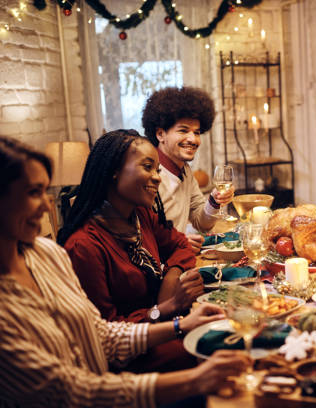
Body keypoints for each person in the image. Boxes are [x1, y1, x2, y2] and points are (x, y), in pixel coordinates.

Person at [0, 136, 250, 407]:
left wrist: (180, 322)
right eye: (34, 192)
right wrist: (192, 374)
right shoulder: (81, 246)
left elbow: (100, 333)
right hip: (112, 385)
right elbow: (71, 390)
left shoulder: (45, 255)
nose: (48, 205)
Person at [58, 130, 206, 373]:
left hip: (162, 329)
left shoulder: (140, 216)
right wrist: (167, 308)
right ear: (114, 170)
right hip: (127, 359)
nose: (157, 178)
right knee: (206, 351)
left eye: (157, 170)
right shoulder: (84, 246)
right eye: (147, 167)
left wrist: (171, 278)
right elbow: (105, 334)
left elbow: (179, 244)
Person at [142, 87, 234, 253]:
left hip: (179, 261)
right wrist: (178, 241)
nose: (193, 139)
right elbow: (140, 237)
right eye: (183, 130)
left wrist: (214, 201)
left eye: (197, 132)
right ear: (160, 134)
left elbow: (201, 223)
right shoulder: (147, 176)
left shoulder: (184, 170)